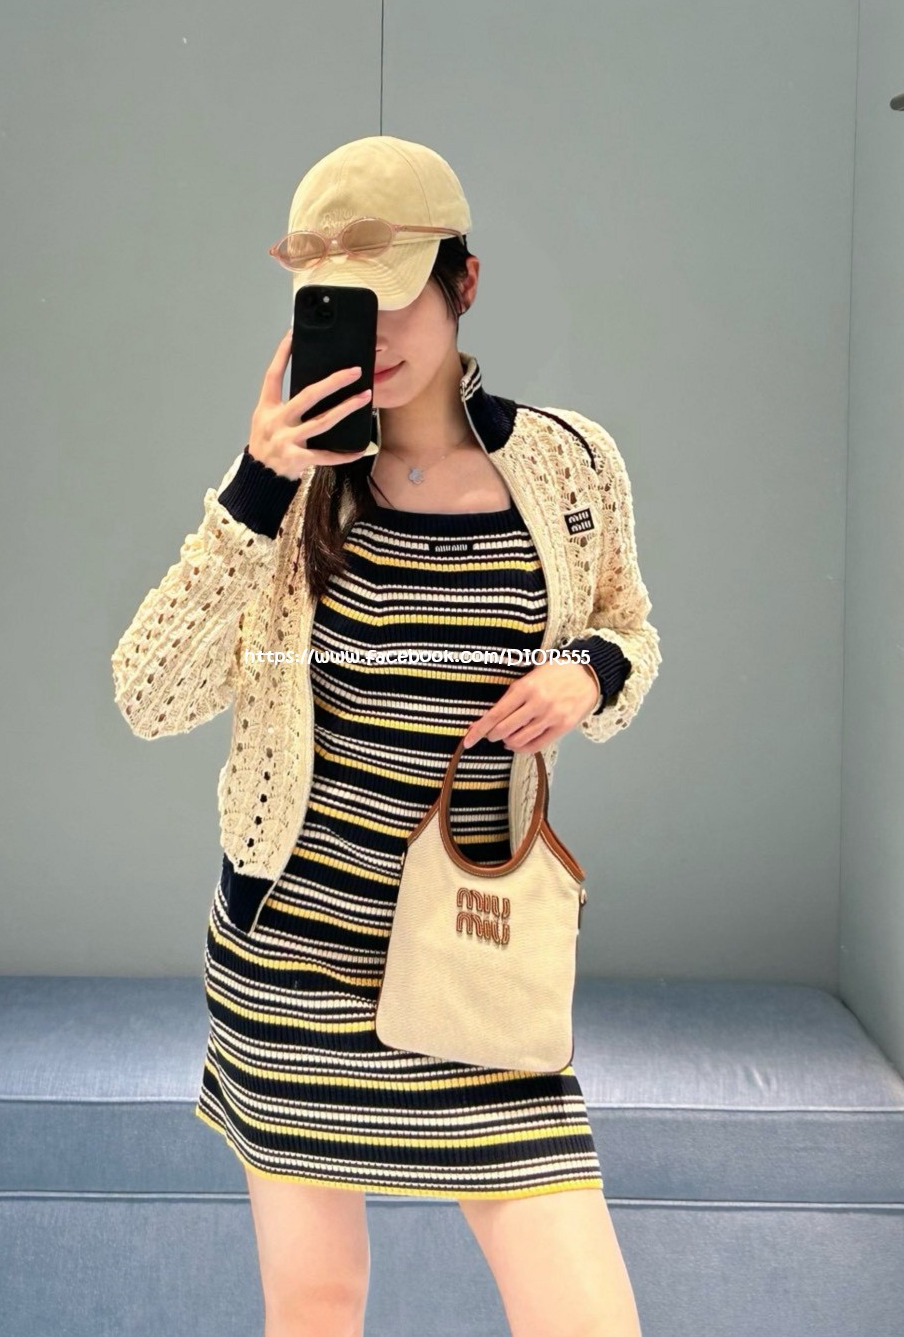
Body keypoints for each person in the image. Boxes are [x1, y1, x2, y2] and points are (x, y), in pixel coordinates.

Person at [112, 135, 659, 1337]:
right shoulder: (289, 485)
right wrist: (257, 485)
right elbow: (148, 694)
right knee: (316, 1305)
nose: (371, 332)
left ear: (465, 283)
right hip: (295, 961)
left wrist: (586, 674)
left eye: (396, 294)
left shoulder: (568, 464)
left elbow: (627, 627)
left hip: (476, 956)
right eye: (338, 302)